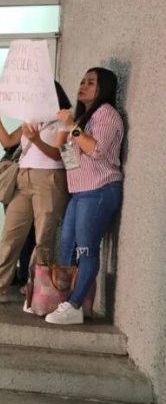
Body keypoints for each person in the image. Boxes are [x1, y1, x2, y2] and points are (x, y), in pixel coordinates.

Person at [0, 81, 72, 304]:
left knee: (43, 237)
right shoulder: (31, 120)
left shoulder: (63, 120)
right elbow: (8, 141)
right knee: (11, 233)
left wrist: (37, 140)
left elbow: (60, 155)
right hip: (23, 178)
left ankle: (38, 287)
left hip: (49, 179)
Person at [45, 68, 123, 325]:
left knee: (87, 248)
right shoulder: (82, 117)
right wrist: (61, 130)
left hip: (100, 188)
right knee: (66, 245)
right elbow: (66, 156)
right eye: (82, 81)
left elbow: (97, 151)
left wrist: (72, 128)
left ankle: (75, 305)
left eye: (91, 82)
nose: (83, 86)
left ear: (104, 88)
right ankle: (65, 299)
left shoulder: (106, 114)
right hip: (79, 191)